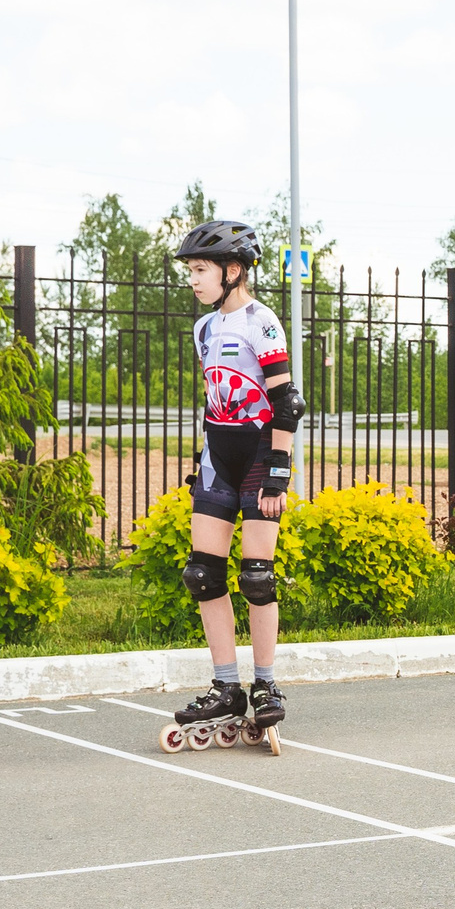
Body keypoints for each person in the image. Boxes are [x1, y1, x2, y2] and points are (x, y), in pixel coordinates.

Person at [165, 220, 302, 756]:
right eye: (192, 271)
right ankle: (226, 687)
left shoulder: (260, 321)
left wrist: (278, 468)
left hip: (259, 458)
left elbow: (286, 401)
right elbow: (216, 398)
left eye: (200, 270)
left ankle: (265, 683)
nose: (194, 280)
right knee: (202, 573)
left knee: (257, 576)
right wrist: (204, 460)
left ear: (233, 270)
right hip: (218, 456)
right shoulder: (203, 329)